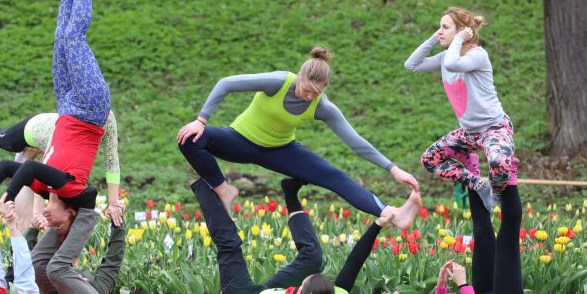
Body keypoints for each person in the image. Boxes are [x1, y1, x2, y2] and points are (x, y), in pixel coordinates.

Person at [177, 48, 420, 229]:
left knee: (334, 176)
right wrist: (201, 120)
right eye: (306, 90)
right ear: (300, 77)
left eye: (316, 93)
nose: (308, 96)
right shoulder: (278, 82)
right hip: (239, 140)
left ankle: (393, 214)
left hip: (280, 150)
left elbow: (356, 142)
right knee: (189, 139)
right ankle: (224, 190)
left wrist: (393, 169)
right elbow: (226, 84)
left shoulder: (323, 107)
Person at [0, 0, 116, 222]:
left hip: (66, 107)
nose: (50, 221)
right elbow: (27, 171)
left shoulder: (43, 188)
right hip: (90, 109)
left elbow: (7, 166)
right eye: (58, 223)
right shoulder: (73, 190)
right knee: (73, 38)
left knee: (60, 36)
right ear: (70, 212)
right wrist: (9, 197)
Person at [193, 176, 421, 294]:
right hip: (271, 293)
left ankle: (205, 188)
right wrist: (376, 225)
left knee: (230, 244)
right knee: (312, 258)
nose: (299, 282)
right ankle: (290, 193)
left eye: (301, 284)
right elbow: (354, 263)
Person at [404, 7, 516, 211]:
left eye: (445, 27)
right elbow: (411, 65)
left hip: (494, 128)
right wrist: (433, 38)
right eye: (439, 27)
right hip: (469, 133)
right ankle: (478, 185)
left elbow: (454, 64)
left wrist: (460, 39)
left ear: (462, 31)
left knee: (499, 162)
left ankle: (495, 193)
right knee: (429, 159)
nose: (440, 31)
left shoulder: (478, 55)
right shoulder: (445, 57)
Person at [372, 184, 525, 294]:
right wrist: (462, 284)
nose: (397, 292)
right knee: (507, 241)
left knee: (482, 235)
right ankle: (509, 179)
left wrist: (441, 285)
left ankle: (470, 176)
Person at [0, 111, 123, 226]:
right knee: (6, 140)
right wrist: (37, 213)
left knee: (34, 172)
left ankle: (21, 159)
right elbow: (42, 172)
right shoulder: (70, 118)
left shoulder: (106, 117)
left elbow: (112, 159)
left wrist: (114, 202)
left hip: (48, 151)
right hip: (36, 129)